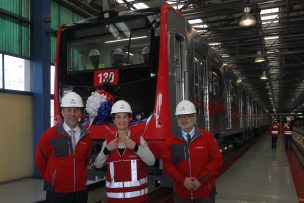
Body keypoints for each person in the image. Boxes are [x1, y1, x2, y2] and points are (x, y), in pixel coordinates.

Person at [94, 100, 155, 203]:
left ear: (130, 118)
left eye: (125, 116)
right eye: (118, 117)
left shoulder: (138, 139)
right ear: (113, 120)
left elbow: (151, 161)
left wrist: (135, 147)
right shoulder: (108, 142)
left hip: (138, 199)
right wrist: (106, 150)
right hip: (115, 200)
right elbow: (98, 164)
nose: (122, 120)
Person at [36, 92, 91, 203]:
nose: (72, 114)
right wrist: (52, 178)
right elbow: (40, 160)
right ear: (62, 111)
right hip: (56, 192)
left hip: (79, 191)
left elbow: (85, 160)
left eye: (76, 110)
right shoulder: (50, 135)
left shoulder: (86, 136)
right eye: (68, 110)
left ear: (80, 112)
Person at [163, 100, 223, 203]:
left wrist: (200, 180)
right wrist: (183, 180)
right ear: (177, 119)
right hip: (182, 194)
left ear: (194, 118)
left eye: (188, 116)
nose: (184, 119)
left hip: (205, 193)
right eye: (180, 117)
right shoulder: (170, 141)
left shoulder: (207, 137)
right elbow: (167, 165)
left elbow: (217, 161)